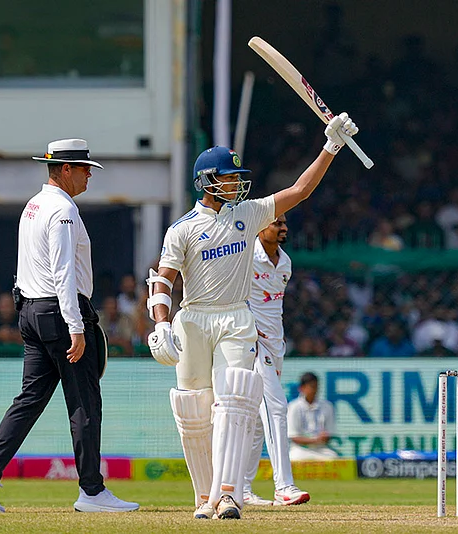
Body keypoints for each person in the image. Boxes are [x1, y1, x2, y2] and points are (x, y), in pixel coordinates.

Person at [146, 113, 359, 520]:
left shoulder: (248, 214)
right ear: (207, 181)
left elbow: (300, 190)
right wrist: (161, 322)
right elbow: (163, 279)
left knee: (237, 400)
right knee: (194, 410)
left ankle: (228, 495)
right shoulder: (182, 229)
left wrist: (331, 146)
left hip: (235, 318)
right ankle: (203, 497)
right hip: (194, 319)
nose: (236, 185)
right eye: (228, 178)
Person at [0, 139, 137, 513]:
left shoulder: (34, 205)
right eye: (84, 168)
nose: (89, 175)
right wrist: (76, 325)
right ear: (66, 169)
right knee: (85, 401)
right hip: (60, 313)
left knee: (30, 399)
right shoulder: (63, 209)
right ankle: (92, 491)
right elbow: (63, 272)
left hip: (31, 309)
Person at [241, 215, 311, 507]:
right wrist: (246, 328)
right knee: (277, 407)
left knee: (260, 420)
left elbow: (274, 307)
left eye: (284, 223)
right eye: (276, 223)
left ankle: (242, 488)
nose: (283, 228)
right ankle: (284, 486)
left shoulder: (285, 262)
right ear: (260, 227)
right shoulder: (245, 256)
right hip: (252, 343)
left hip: (275, 343)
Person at [286, 372, 339, 461]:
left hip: (321, 449)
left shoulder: (327, 406)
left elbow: (329, 433)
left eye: (316, 387)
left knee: (333, 458)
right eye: (311, 387)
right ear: (301, 388)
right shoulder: (293, 406)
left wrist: (324, 437)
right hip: (300, 449)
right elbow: (294, 437)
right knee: (294, 458)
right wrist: (315, 440)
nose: (314, 390)